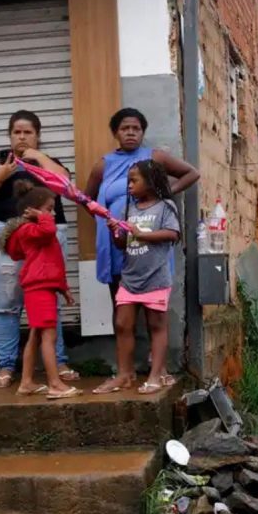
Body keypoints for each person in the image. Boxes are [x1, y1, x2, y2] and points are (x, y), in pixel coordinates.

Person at [0, 110, 80, 389]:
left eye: (27, 132)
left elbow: (68, 186)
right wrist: (0, 175)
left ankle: (58, 361)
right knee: (6, 303)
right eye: (16, 132)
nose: (21, 137)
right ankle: (6, 366)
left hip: (48, 235)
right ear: (9, 135)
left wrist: (38, 157)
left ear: (37, 136)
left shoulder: (48, 163)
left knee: (49, 297)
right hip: (8, 236)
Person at [84, 108, 198, 302]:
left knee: (152, 303)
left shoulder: (155, 158)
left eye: (136, 128)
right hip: (117, 240)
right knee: (120, 303)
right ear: (115, 133)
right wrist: (105, 221)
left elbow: (191, 174)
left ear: (143, 132)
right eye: (124, 128)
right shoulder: (104, 164)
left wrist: (165, 194)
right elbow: (87, 199)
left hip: (147, 239)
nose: (130, 132)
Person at [93, 160, 181, 395]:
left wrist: (142, 234)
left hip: (155, 278)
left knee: (156, 325)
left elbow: (172, 233)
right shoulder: (128, 209)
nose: (129, 185)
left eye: (134, 180)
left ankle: (155, 374)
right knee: (122, 324)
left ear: (151, 182)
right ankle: (124, 374)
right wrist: (116, 231)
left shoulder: (165, 206)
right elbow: (122, 244)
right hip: (130, 277)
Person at [1, 181, 81, 399]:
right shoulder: (31, 230)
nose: (52, 213)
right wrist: (41, 216)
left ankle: (26, 382)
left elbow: (53, 261)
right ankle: (55, 383)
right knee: (49, 336)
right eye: (48, 209)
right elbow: (48, 229)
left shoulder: (35, 230)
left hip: (43, 286)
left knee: (37, 335)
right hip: (39, 288)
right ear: (33, 209)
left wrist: (63, 288)